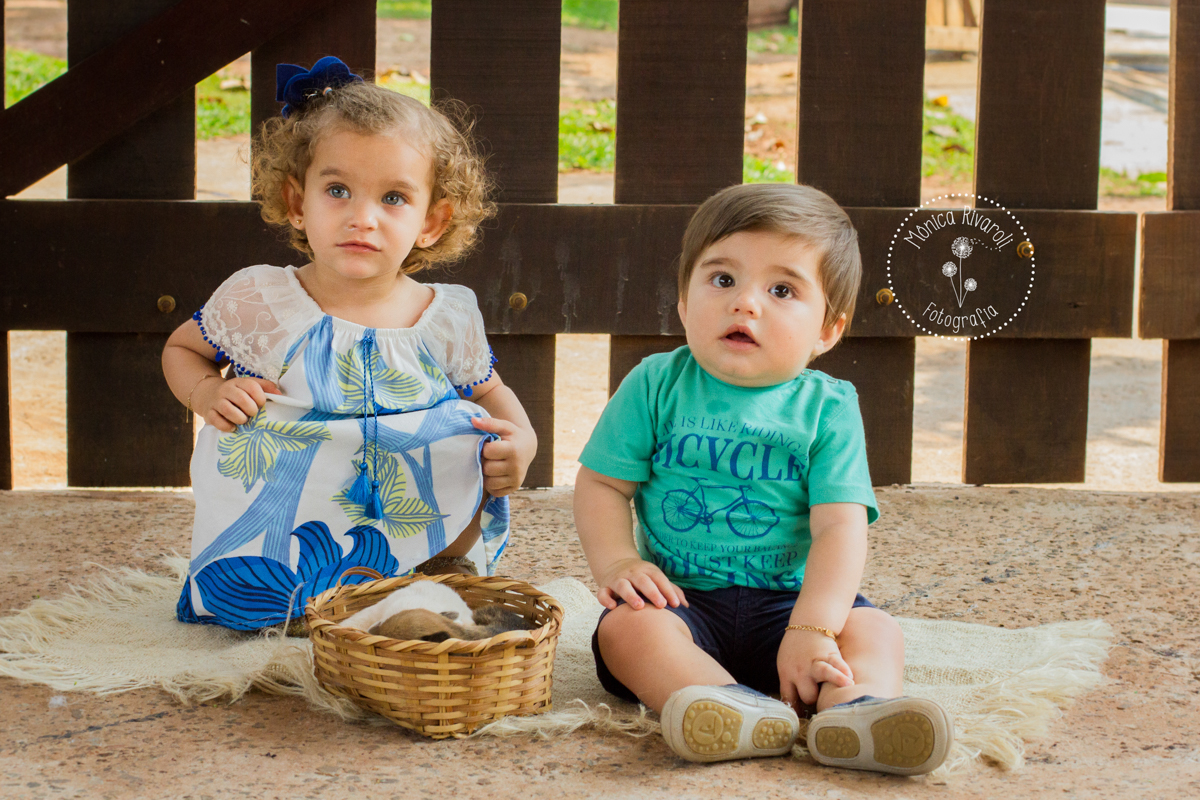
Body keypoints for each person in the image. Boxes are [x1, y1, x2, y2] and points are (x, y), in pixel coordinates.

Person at [574, 183, 952, 775]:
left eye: (782, 290)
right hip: (683, 604)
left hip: (793, 604)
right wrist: (619, 564)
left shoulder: (828, 408)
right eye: (722, 280)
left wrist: (812, 628)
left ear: (828, 329)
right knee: (627, 632)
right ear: (683, 300)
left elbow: (839, 530)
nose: (745, 303)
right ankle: (725, 705)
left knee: (873, 629)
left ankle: (857, 710)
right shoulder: (655, 384)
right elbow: (602, 485)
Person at [162, 57, 536, 631]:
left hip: (406, 512)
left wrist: (523, 440)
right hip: (292, 504)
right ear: (296, 202)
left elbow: (488, 392)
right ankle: (292, 602)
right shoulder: (261, 298)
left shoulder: (446, 315)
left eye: (393, 199)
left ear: (432, 221)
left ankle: (424, 584)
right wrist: (208, 391)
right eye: (338, 190)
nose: (363, 218)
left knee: (458, 430)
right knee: (270, 487)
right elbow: (182, 350)